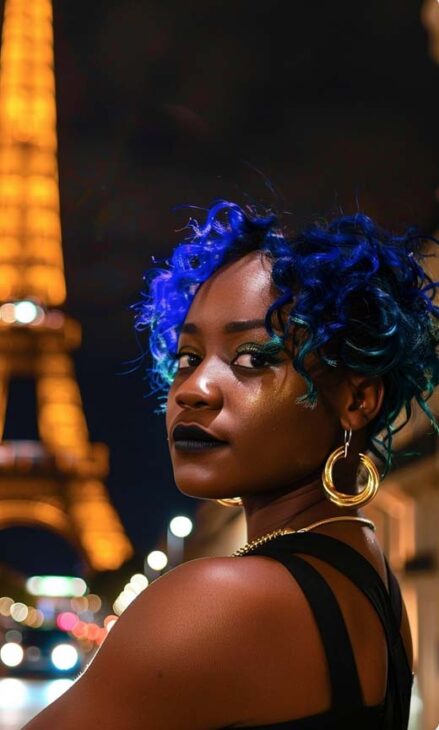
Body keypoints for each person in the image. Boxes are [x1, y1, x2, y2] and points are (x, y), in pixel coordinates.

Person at [25, 201, 439, 729]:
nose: (193, 390)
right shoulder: (369, 579)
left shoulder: (218, 600)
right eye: (187, 358)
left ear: (358, 399)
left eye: (253, 358)